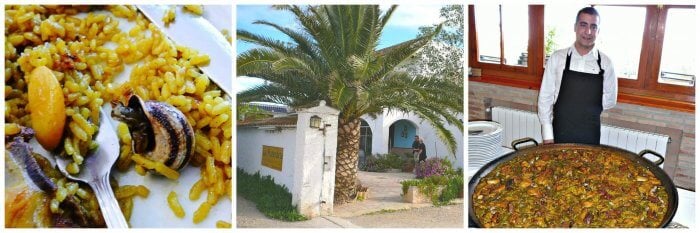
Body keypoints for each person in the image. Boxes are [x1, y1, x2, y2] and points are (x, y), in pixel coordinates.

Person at [537, 7, 618, 145]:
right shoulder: (557, 58)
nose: (588, 32)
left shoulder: (606, 63)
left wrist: (587, 109)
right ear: (575, 27)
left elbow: (611, 99)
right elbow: (545, 97)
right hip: (558, 133)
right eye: (583, 25)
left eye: (593, 27)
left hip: (590, 134)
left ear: (598, 31)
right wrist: (547, 134)